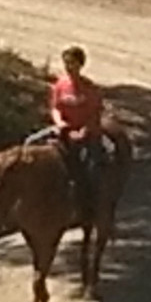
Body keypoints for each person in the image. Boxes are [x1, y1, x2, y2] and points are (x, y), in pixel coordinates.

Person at [25, 45, 106, 221]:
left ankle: (91, 206)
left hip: (86, 133)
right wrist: (60, 123)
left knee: (91, 166)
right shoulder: (60, 85)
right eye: (67, 63)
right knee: (30, 143)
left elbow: (95, 114)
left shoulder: (90, 88)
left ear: (81, 65)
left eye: (73, 63)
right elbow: (55, 108)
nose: (69, 67)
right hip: (64, 129)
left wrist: (84, 131)